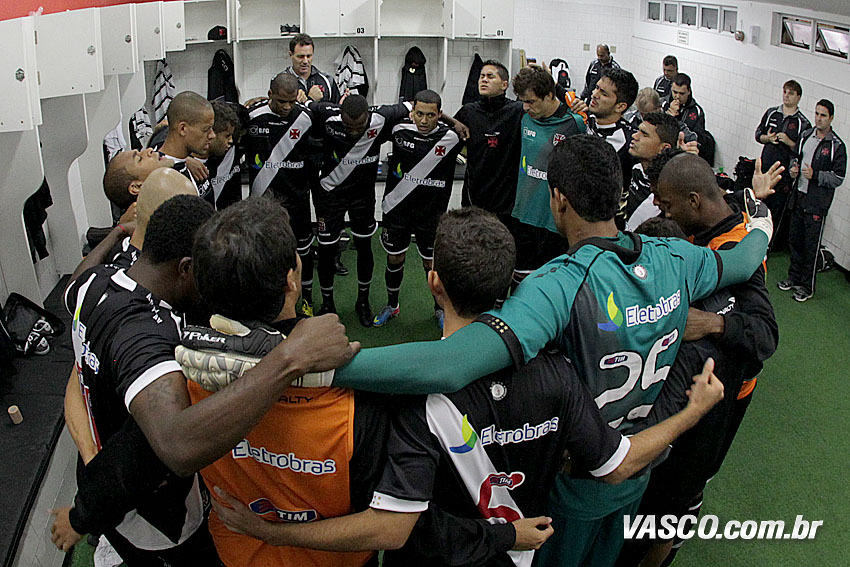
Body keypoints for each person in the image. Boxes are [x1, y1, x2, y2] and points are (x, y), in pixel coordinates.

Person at [326, 135, 773, 566]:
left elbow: (451, 364)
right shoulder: (676, 257)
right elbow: (744, 260)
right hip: (638, 472)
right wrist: (762, 223)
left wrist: (325, 369)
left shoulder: (557, 284)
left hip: (576, 486)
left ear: (559, 199)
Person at [207, 207, 725, 567]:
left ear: (433, 283)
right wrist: (692, 411)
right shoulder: (560, 374)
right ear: (511, 286)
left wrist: (268, 531)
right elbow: (618, 465)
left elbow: (394, 528)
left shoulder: (407, 396)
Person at [50, 195, 358, 561]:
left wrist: (117, 234)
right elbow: (172, 445)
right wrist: (290, 358)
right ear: (186, 267)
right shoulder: (151, 340)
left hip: (107, 485)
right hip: (159, 517)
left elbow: (78, 284)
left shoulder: (95, 284)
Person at [180, 197, 393, 567]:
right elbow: (382, 517)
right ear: (292, 280)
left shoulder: (185, 380)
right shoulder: (355, 399)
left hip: (239, 556)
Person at [620, 152, 779, 567]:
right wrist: (757, 196)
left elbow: (765, 335)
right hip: (690, 382)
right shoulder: (715, 211)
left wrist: (711, 323)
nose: (662, 211)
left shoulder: (733, 248)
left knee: (682, 489)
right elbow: (745, 201)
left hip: (725, 395)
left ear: (694, 201)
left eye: (668, 205)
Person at [306, 94, 419, 325]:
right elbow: (302, 104)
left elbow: (415, 104)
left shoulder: (382, 116)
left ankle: (363, 301)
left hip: (362, 196)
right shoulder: (327, 115)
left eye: (359, 127)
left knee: (364, 247)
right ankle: (328, 304)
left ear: (368, 115)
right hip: (330, 195)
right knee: (327, 250)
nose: (353, 132)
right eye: (348, 127)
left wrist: (454, 122)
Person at [373, 89, 463, 328]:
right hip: (397, 209)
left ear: (439, 115)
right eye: (419, 114)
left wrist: (453, 122)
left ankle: (439, 309)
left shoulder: (452, 137)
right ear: (412, 112)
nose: (424, 120)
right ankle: (392, 305)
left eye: (430, 115)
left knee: (430, 265)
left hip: (431, 215)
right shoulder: (398, 128)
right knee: (395, 258)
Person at [244, 73, 318, 311]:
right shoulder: (252, 117)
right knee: (264, 253)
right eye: (281, 101)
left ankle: (306, 299)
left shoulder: (306, 118)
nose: (287, 107)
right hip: (263, 204)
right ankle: (266, 302)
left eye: (291, 102)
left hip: (297, 201)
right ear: (270, 95)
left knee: (303, 252)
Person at [510, 66, 585, 285]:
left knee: (551, 284)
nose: (526, 107)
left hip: (556, 222)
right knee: (520, 283)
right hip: (523, 216)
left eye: (531, 101)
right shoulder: (524, 117)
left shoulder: (575, 123)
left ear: (550, 95)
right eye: (523, 101)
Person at [780, 99, 846, 302]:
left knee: (810, 247)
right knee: (794, 240)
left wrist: (815, 175)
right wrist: (793, 169)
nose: (818, 118)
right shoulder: (806, 135)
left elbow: (838, 178)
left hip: (817, 204)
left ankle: (807, 287)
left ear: (831, 118)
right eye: (817, 114)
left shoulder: (836, 146)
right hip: (798, 197)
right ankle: (793, 278)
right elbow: (795, 157)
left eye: (823, 115)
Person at [453, 60, 524, 230]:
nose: (484, 80)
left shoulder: (517, 111)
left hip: (506, 201)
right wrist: (449, 120)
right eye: (482, 76)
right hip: (474, 197)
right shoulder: (468, 111)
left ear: (504, 85)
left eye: (490, 76)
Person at [571, 67, 639, 226]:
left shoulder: (631, 141)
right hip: (575, 215)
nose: (594, 94)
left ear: (620, 106)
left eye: (604, 93)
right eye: (596, 88)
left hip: (607, 225)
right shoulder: (585, 119)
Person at [755, 80, 811, 241]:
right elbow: (758, 135)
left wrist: (789, 142)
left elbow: (803, 151)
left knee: (775, 210)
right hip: (765, 169)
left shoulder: (803, 123)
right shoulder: (772, 113)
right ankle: (752, 236)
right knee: (758, 205)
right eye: (785, 92)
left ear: (798, 97)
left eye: (791, 93)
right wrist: (767, 138)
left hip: (783, 175)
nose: (786, 96)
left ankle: (769, 242)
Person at [155, 91, 217, 202]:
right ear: (183, 129)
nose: (212, 135)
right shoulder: (162, 178)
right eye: (206, 129)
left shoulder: (190, 164)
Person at [624, 112, 680, 230]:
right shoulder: (636, 168)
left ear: (664, 148)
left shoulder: (669, 191)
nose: (635, 136)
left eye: (644, 134)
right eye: (638, 130)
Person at [203, 100, 242, 209]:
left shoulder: (226, 152)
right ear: (211, 133)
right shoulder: (188, 164)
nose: (231, 141)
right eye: (227, 136)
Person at [285, 33, 341, 104]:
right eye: (300, 57)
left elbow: (337, 108)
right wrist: (310, 99)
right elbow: (277, 110)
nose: (305, 61)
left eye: (309, 56)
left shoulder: (327, 80)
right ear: (291, 55)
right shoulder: (280, 83)